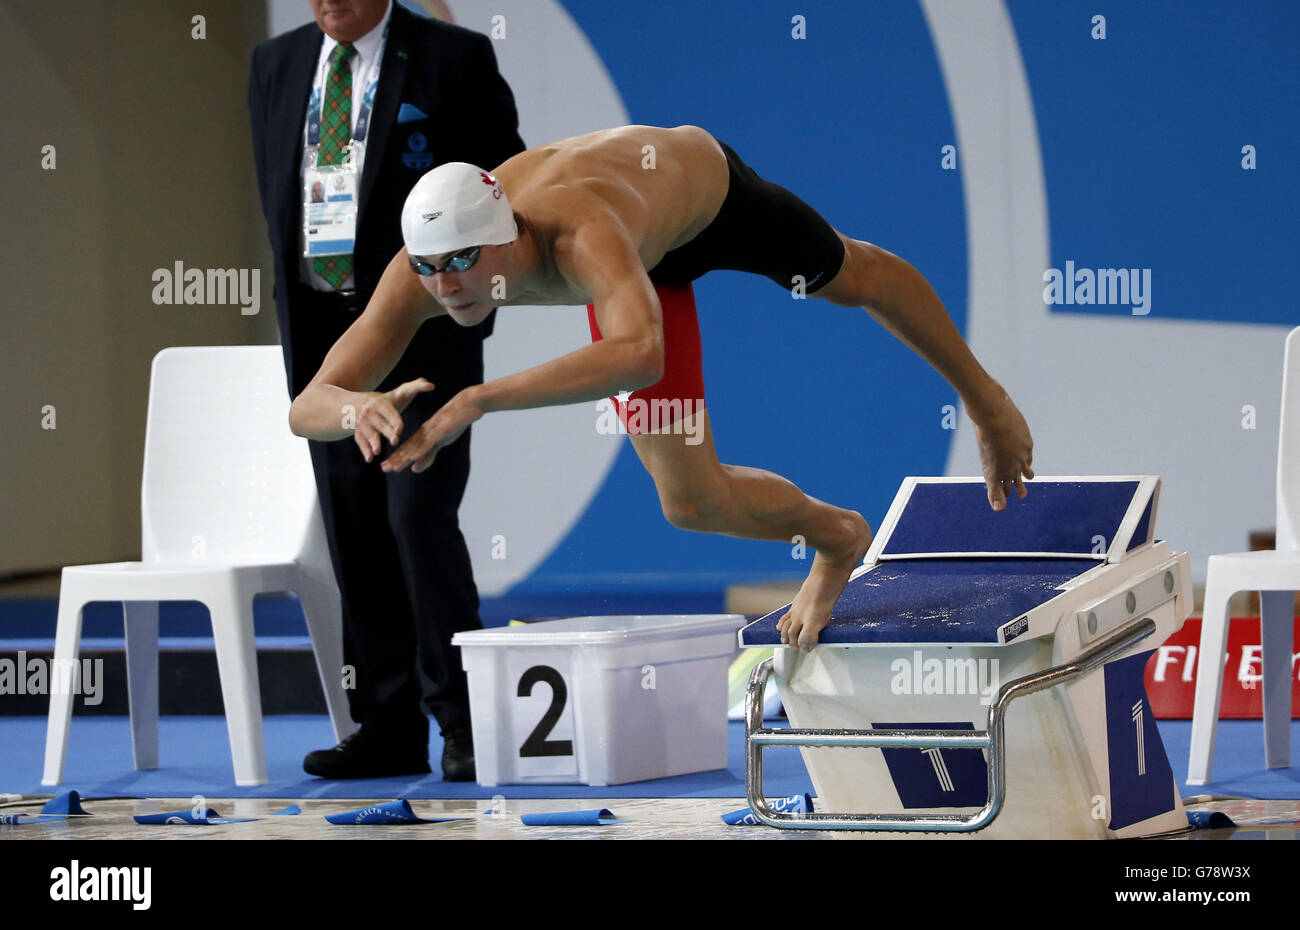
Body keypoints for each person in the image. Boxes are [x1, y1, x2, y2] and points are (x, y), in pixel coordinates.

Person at [288, 124, 1034, 653]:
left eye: (462, 261)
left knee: (849, 277)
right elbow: (307, 405)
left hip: (705, 202)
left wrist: (476, 399)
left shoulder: (579, 232)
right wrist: (359, 405)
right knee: (691, 503)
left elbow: (640, 354)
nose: (447, 286)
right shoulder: (422, 274)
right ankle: (840, 538)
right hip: (638, 279)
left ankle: (984, 397)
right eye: (429, 267)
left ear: (509, 232)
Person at [248, 0, 524, 779]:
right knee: (355, 530)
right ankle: (386, 724)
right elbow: (283, 199)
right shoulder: (276, 65)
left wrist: (470, 306)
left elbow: (503, 187)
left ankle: (463, 722)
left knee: (416, 520)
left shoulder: (452, 58)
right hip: (324, 336)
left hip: (424, 333)